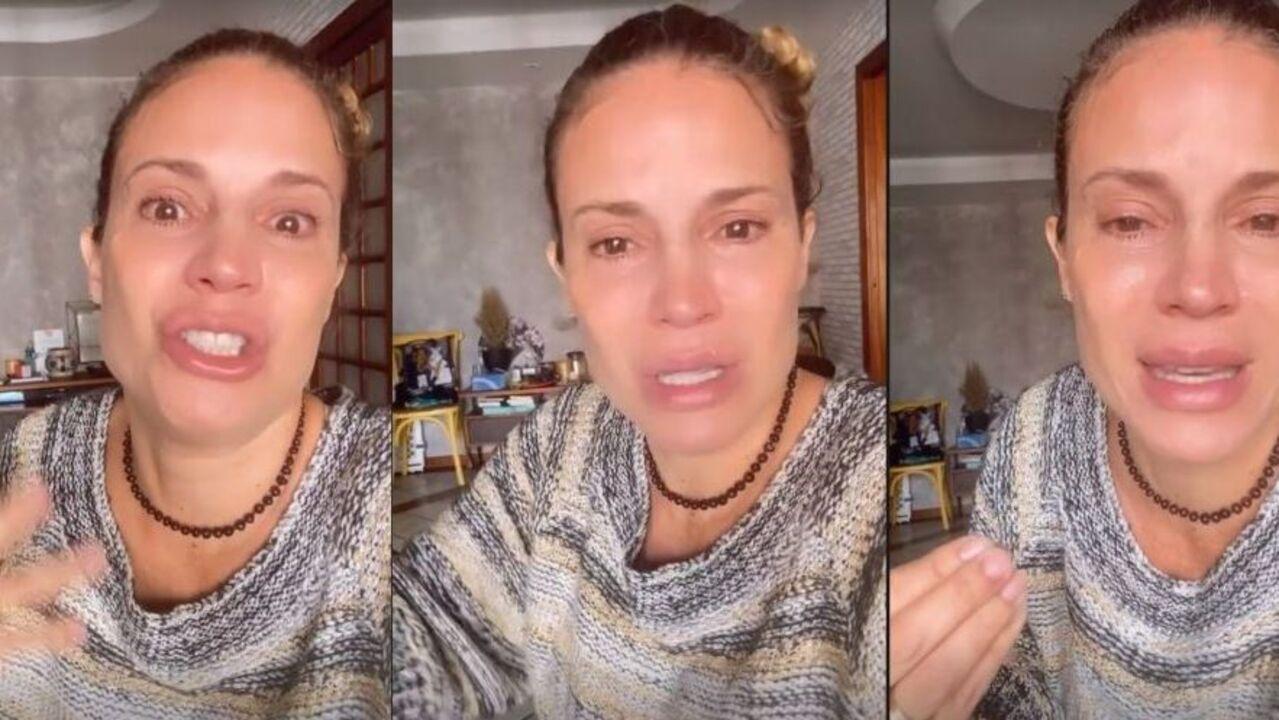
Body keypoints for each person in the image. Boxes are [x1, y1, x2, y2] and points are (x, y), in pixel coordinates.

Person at [392, 5, 886, 719]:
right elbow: (427, 631)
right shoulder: (562, 442)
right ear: (566, 274)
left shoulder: (869, 500)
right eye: (616, 244)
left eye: (737, 228)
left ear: (802, 247)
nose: (681, 302)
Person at [889, 1, 1279, 717]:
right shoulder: (1030, 443)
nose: (1197, 288)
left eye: (1267, 219)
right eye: (1130, 221)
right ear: (1064, 257)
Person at [0, 30, 390, 718]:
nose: (226, 264)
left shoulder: (399, 535)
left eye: (290, 221)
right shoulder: (16, 473)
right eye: (167, 207)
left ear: (334, 279)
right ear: (97, 259)